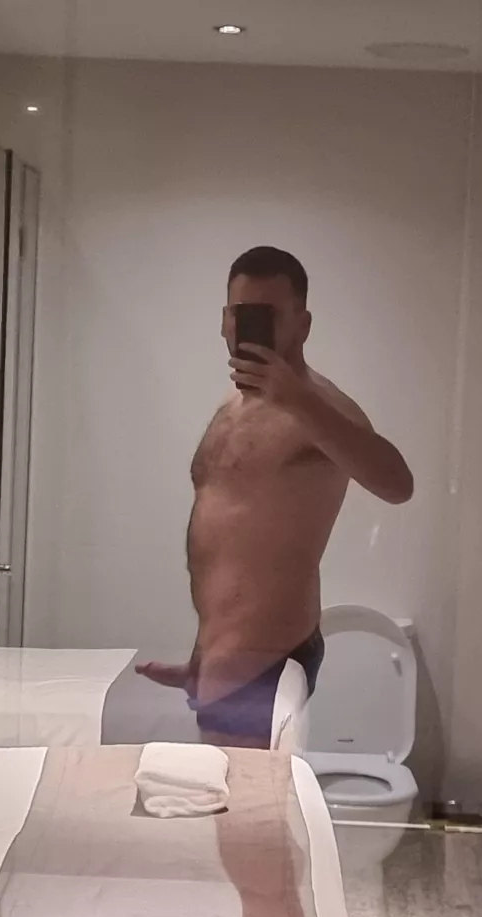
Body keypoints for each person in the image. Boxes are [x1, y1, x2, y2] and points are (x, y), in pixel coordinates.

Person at [136, 246, 413, 748]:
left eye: (268, 315)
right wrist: (203, 660)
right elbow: (231, 546)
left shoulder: (319, 407)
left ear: (302, 325)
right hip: (227, 664)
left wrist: (299, 400)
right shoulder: (232, 407)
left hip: (265, 663)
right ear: (224, 320)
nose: (248, 327)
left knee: (238, 800)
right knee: (229, 797)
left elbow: (397, 483)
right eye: (241, 313)